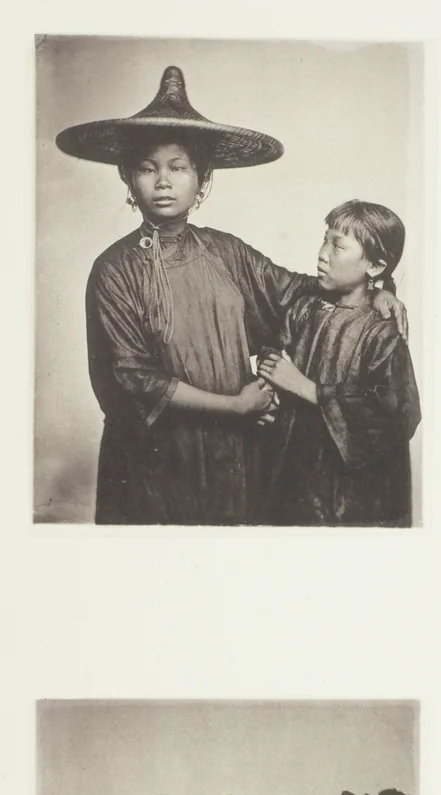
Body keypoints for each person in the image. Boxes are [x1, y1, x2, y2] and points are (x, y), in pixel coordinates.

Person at [55, 66, 406, 525]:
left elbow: (298, 293)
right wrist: (235, 406)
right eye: (148, 167)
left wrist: (380, 289)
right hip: (152, 461)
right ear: (127, 177)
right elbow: (129, 380)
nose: (164, 181)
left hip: (232, 455)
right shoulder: (114, 270)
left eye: (178, 167)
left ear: (202, 178)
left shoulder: (226, 252)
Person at [256, 200, 421, 526]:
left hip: (349, 498)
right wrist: (268, 395)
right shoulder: (303, 309)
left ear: (374, 267)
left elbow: (399, 414)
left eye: (338, 245)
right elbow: (275, 357)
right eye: (324, 239)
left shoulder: (382, 330)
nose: (322, 253)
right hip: (290, 472)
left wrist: (310, 390)